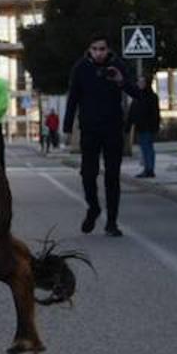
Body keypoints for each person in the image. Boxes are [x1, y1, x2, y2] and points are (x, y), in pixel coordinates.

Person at [63, 34, 139, 236]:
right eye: (95, 49)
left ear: (108, 49)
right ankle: (93, 207)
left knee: (112, 177)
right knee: (88, 174)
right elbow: (73, 99)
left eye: (102, 49)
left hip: (113, 129)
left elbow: (137, 93)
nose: (99, 53)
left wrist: (121, 81)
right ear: (89, 49)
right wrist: (67, 128)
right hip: (89, 129)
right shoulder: (81, 68)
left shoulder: (117, 66)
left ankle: (112, 222)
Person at [126, 74, 161, 178]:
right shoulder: (137, 96)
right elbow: (132, 112)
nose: (140, 84)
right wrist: (128, 125)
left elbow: (155, 113)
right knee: (144, 148)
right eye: (139, 82)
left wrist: (155, 126)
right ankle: (147, 168)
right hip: (140, 127)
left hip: (148, 127)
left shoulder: (151, 97)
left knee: (147, 148)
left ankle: (149, 169)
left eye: (142, 82)